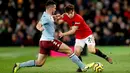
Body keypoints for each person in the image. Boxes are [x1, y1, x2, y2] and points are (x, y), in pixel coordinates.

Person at [12, 1, 92, 73]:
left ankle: (18, 65)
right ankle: (83, 67)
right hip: (49, 41)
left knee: (39, 63)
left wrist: (56, 17)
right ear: (51, 8)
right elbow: (38, 25)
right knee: (69, 50)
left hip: (43, 42)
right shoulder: (46, 17)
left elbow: (52, 19)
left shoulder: (47, 15)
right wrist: (40, 28)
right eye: (55, 8)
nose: (55, 9)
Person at [56, 4, 113, 72]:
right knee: (76, 53)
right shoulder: (65, 15)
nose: (70, 15)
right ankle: (81, 67)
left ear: (73, 11)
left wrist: (63, 34)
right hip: (79, 37)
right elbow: (59, 22)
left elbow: (73, 31)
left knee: (91, 50)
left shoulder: (78, 18)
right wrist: (56, 18)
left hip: (87, 35)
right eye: (68, 14)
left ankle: (105, 57)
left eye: (71, 13)